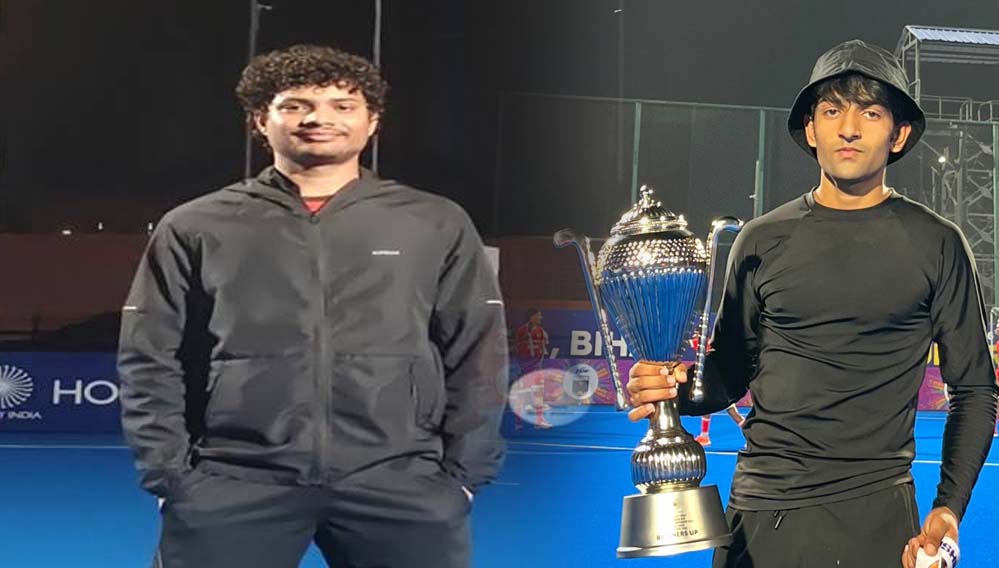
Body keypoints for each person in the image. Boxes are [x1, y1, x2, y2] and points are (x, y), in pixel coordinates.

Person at [118, 44, 507, 568]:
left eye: (343, 106)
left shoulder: (434, 221)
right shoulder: (196, 224)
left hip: (401, 480)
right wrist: (171, 475)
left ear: (372, 122)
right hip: (234, 479)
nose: (319, 118)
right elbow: (149, 354)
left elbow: (477, 348)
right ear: (261, 120)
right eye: (296, 105)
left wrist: (462, 476)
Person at [626, 39, 997, 568]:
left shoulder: (937, 243)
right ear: (810, 129)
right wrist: (673, 389)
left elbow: (975, 390)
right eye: (832, 111)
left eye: (870, 113)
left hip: (877, 520)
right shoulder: (758, 239)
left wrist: (949, 508)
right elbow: (729, 374)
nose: (849, 128)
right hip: (757, 519)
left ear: (899, 134)